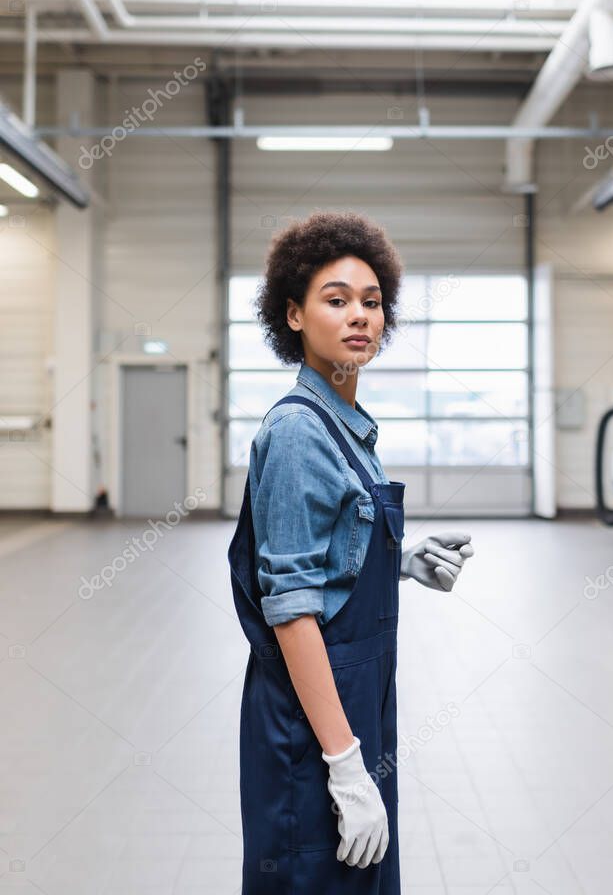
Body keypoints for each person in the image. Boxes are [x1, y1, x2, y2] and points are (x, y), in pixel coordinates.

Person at [228, 211, 474, 893]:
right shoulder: (300, 432)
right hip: (314, 718)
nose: (359, 316)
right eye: (335, 300)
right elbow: (291, 610)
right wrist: (341, 760)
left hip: (356, 700)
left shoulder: (347, 428)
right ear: (294, 316)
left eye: (371, 302)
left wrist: (398, 558)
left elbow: (327, 547)